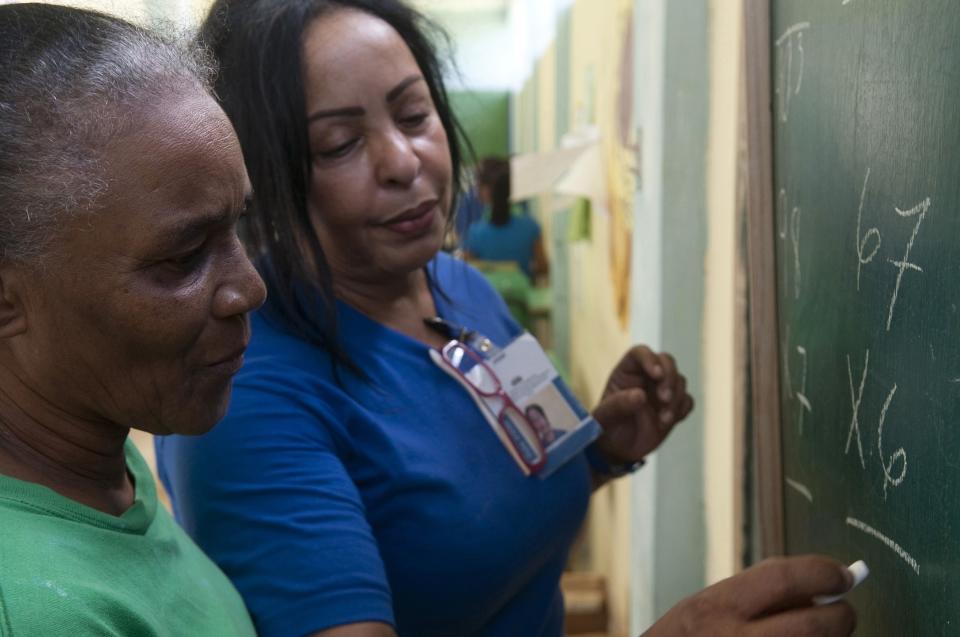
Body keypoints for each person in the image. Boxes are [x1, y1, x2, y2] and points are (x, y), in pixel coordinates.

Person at [155, 1, 857, 636]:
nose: (405, 161)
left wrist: (601, 450)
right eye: (339, 144)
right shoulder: (252, 398)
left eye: (413, 114)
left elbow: (503, 490)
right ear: (263, 176)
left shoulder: (459, 287)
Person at [0, 4, 266, 635]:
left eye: (239, 225)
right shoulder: (34, 612)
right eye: (182, 258)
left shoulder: (98, 459)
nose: (249, 289)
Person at [462, 156, 548, 280]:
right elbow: (543, 268)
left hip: (485, 297)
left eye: (478, 184)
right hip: (521, 298)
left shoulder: (475, 233)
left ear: (487, 190)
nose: (475, 189)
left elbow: (467, 272)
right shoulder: (531, 227)